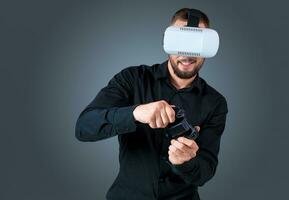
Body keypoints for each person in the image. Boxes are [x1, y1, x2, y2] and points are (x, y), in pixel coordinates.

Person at [75, 8, 228, 200]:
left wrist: (186, 162)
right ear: (167, 42)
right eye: (181, 42)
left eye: (197, 44)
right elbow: (84, 128)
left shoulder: (215, 103)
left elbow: (205, 172)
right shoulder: (132, 79)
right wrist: (135, 113)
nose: (187, 54)